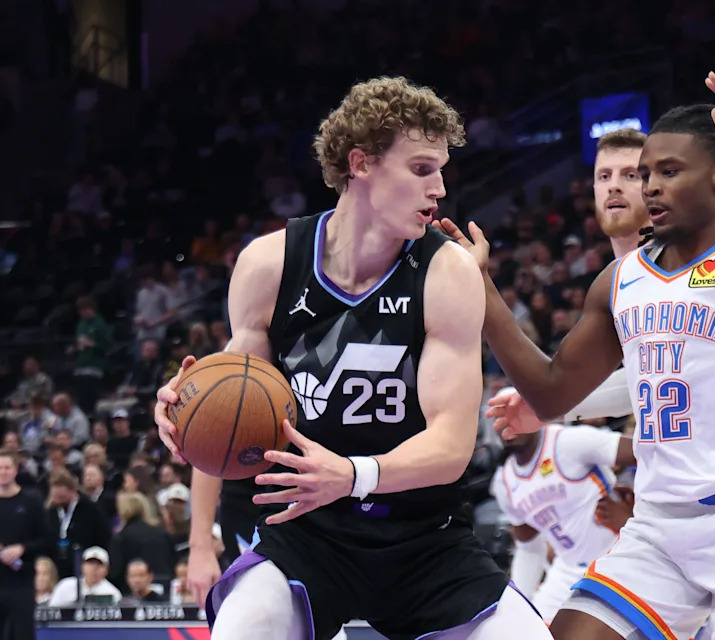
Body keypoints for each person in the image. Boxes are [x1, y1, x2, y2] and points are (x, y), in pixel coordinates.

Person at [437, 73, 715, 639]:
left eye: (668, 172)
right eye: (644, 173)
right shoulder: (619, 280)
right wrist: (484, 290)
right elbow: (552, 392)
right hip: (660, 531)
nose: (650, 186)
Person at [154, 77, 552, 640]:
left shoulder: (448, 270)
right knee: (243, 630)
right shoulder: (269, 264)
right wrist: (179, 408)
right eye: (420, 169)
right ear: (361, 163)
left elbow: (452, 445)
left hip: (424, 536)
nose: (439, 188)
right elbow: (227, 402)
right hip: (307, 534)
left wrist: (352, 475)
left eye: (442, 170)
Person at [499, 126, 715, 428]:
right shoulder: (618, 279)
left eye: (630, 175)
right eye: (604, 176)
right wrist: (557, 408)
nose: (613, 187)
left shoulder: (705, 252)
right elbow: (652, 380)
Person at [488, 387, 633, 622]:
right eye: (498, 417)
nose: (507, 423)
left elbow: (647, 453)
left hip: (619, 556)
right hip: (569, 570)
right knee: (528, 630)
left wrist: (638, 511)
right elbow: (528, 549)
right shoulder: (504, 483)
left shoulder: (569, 442)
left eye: (513, 413)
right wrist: (519, 603)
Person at [0, 450, 52, 640]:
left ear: (15, 470)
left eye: (7, 467)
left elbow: (46, 539)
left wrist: (22, 548)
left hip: (21, 582)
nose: (3, 472)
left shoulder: (31, 501)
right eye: (0, 468)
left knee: (22, 634)